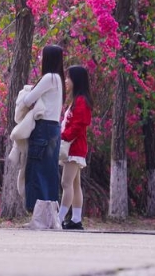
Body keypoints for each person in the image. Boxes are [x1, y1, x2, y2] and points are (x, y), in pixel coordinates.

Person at [20, 45, 64, 212]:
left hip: (43, 128)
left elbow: (28, 100)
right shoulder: (58, 79)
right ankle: (48, 214)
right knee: (49, 171)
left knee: (36, 170)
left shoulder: (49, 78)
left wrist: (26, 92)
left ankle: (37, 213)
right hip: (54, 128)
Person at [59, 65, 93, 230]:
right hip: (75, 147)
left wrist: (64, 136)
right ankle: (76, 219)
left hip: (74, 148)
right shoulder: (77, 100)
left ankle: (59, 218)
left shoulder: (81, 102)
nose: (66, 81)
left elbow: (79, 125)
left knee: (66, 183)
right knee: (74, 184)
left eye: (68, 78)